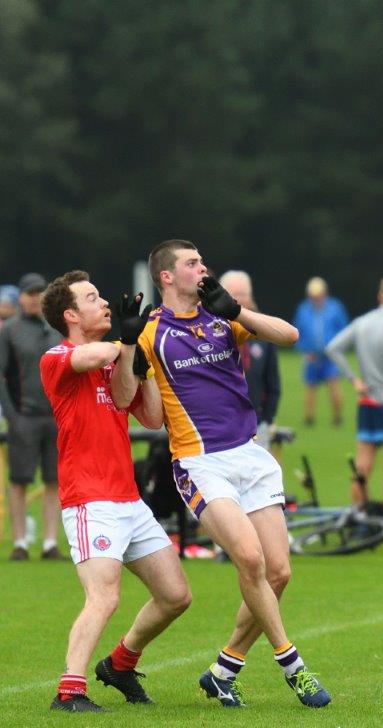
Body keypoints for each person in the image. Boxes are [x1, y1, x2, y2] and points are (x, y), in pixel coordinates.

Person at [131, 240, 329, 707]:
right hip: (201, 462)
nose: (203, 268)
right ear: (166, 276)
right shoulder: (150, 332)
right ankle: (293, 665)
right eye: (192, 263)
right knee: (251, 559)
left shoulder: (221, 314)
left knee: (279, 572)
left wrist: (238, 310)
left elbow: (289, 336)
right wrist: (128, 357)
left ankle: (225, 669)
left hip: (250, 454)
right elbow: (149, 414)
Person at [38, 272, 190, 712]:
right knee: (104, 597)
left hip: (128, 500)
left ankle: (120, 664)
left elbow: (150, 417)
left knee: (176, 596)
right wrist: (127, 342)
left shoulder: (115, 356)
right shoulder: (58, 356)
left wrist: (144, 364)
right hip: (90, 501)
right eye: (92, 298)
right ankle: (69, 693)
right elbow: (96, 355)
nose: (105, 302)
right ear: (70, 315)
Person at [326, 275, 383, 538]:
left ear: (381, 296)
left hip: (367, 403)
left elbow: (333, 348)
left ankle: (360, 519)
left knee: (362, 466)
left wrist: (354, 379)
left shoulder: (362, 323)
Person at [0, 272, 65, 560]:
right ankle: (20, 542)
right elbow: (2, 375)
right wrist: (12, 415)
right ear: (21, 297)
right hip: (23, 416)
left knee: (54, 480)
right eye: (29, 293)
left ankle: (50, 542)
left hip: (55, 416)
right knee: (20, 480)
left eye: (40, 292)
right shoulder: (9, 330)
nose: (34, 298)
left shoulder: (56, 328)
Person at [221, 271, 282, 452]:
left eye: (243, 294)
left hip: (257, 424)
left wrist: (267, 418)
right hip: (221, 425)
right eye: (233, 295)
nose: (239, 300)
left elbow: (273, 382)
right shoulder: (209, 332)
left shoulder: (263, 332)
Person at [293, 276, 348, 427]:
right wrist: (304, 349)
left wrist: (337, 348)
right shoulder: (303, 309)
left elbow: (343, 330)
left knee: (334, 385)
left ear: (325, 293)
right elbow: (297, 332)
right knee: (310, 387)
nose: (316, 299)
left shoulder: (335, 307)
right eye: (313, 296)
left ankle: (337, 418)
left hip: (330, 355)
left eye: (319, 295)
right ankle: (309, 419)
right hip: (311, 355)